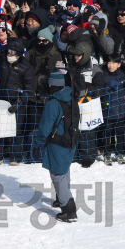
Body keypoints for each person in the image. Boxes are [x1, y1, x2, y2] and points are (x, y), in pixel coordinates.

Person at [31, 68, 78, 222]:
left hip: (57, 143)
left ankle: (69, 210)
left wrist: (37, 144)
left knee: (57, 175)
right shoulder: (71, 97)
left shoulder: (53, 104)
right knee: (64, 170)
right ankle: (61, 198)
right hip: (71, 141)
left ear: (53, 85)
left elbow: (44, 128)